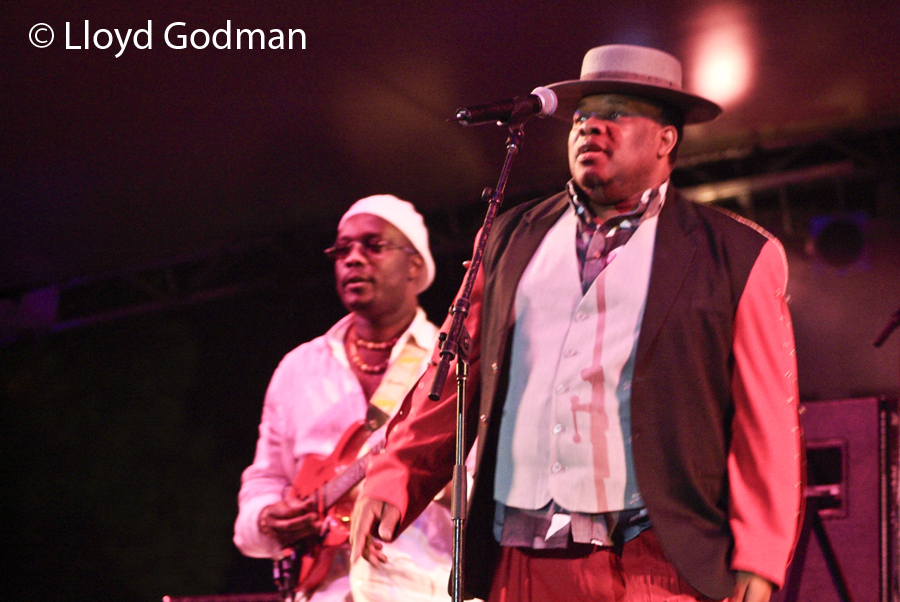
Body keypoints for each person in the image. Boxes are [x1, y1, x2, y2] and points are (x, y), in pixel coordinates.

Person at [349, 44, 804, 602]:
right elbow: (456, 369)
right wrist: (398, 473)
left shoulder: (738, 253)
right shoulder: (512, 235)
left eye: (615, 114)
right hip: (521, 564)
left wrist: (758, 553)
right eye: (584, 116)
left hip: (654, 564)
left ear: (668, 139)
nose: (591, 127)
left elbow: (766, 421)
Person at [234, 195, 457, 602]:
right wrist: (268, 517)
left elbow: (487, 484)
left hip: (425, 588)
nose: (353, 259)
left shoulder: (451, 361)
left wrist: (428, 471)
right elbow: (265, 481)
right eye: (342, 249)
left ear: (415, 264)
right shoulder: (298, 369)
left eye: (373, 246)